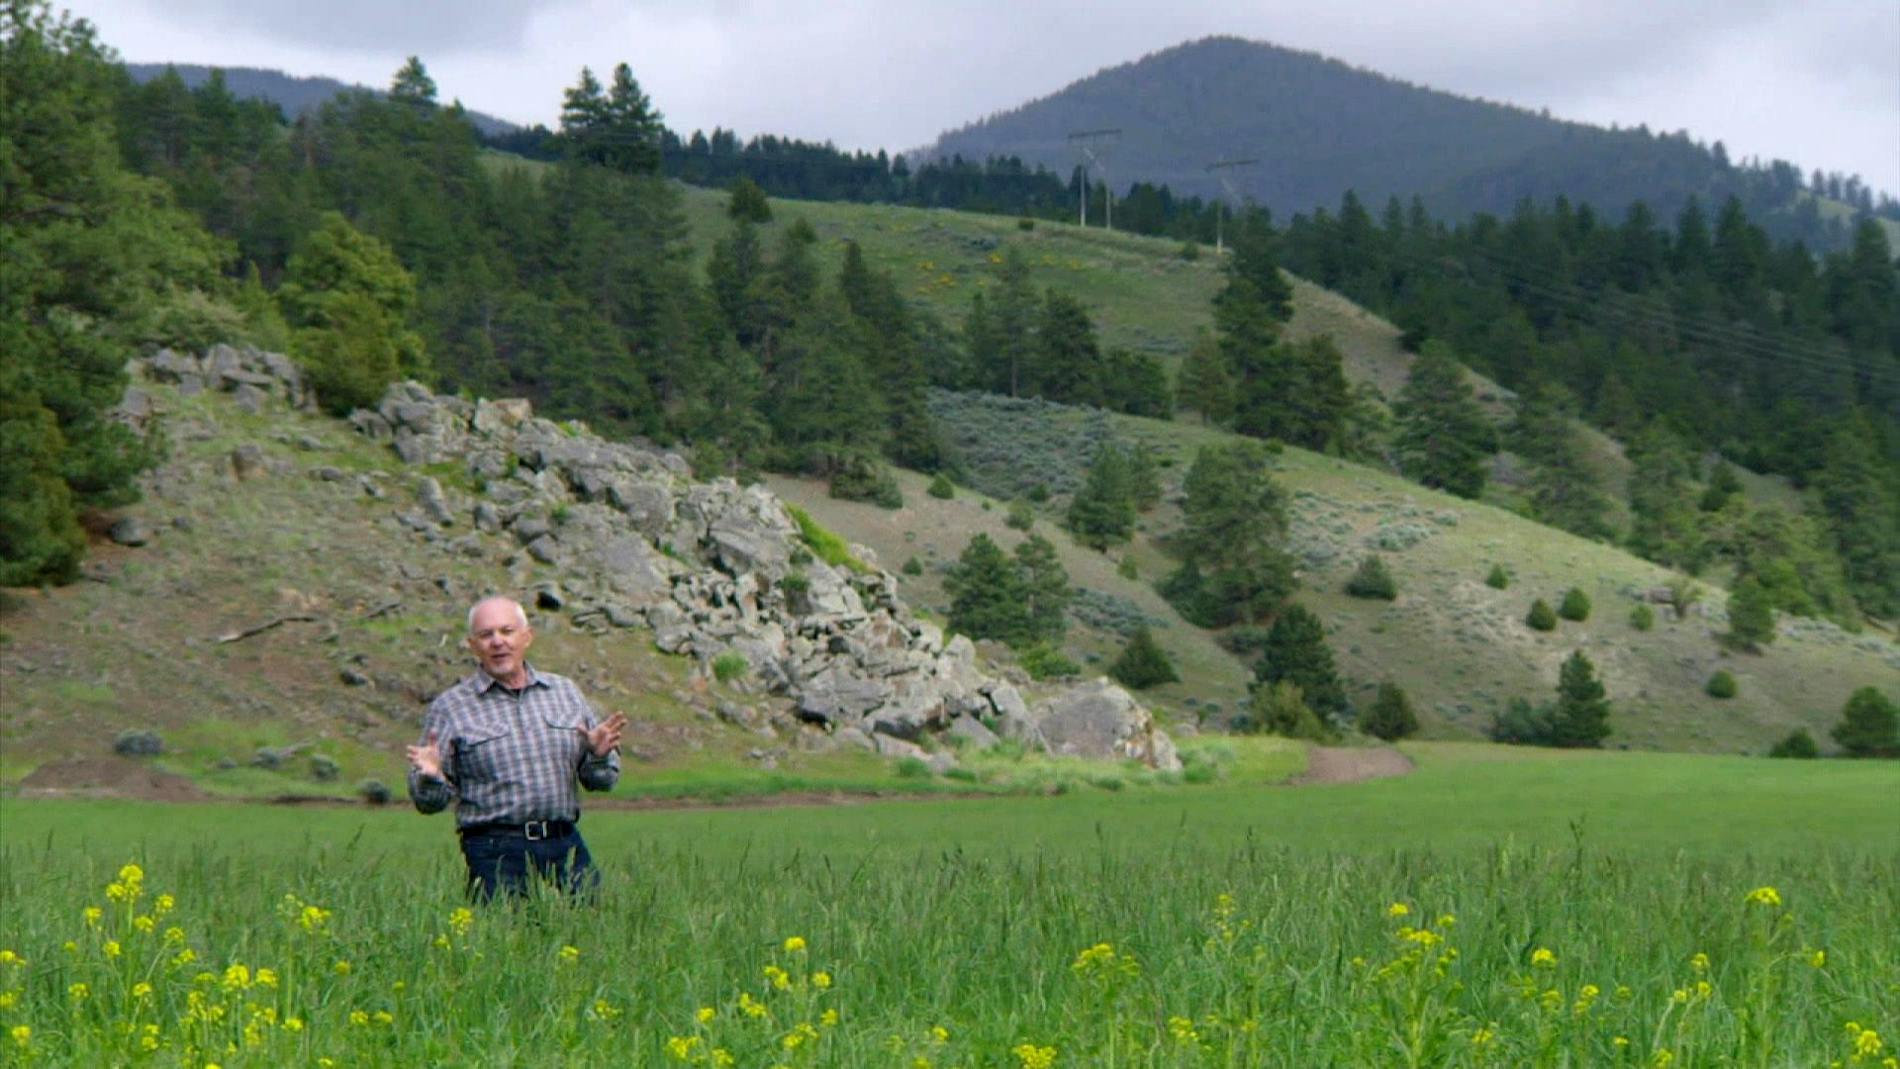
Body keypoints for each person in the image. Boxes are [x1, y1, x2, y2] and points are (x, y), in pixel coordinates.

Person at [407, 596, 628, 900]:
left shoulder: (564, 693)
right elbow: (428, 803)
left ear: (527, 637)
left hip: (564, 841)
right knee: (508, 941)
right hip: (494, 850)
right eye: (486, 635)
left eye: (507, 631)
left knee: (596, 931)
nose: (498, 642)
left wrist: (598, 756)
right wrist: (431, 777)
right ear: (473, 645)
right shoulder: (451, 708)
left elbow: (602, 781)